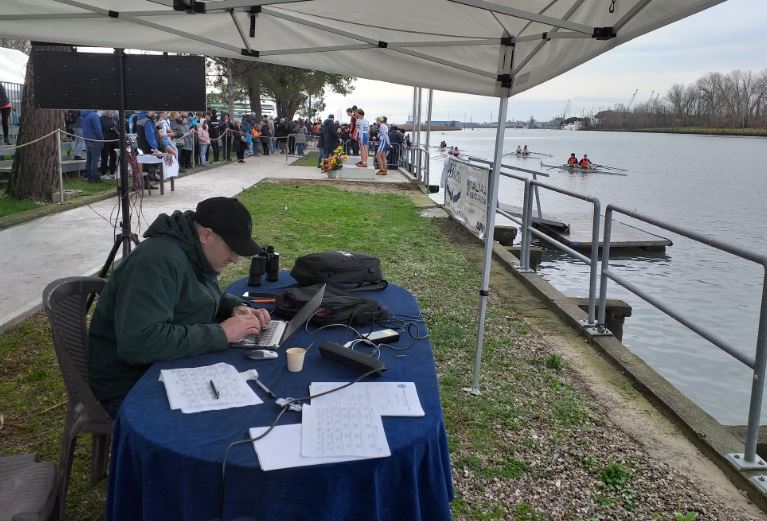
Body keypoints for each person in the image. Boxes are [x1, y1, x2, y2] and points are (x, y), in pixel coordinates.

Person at [88, 197, 270, 417]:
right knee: (229, 418)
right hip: (129, 384)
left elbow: (201, 296)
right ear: (206, 235)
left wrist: (235, 307)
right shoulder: (156, 261)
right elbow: (139, 343)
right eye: (232, 248)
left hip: (167, 367)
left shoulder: (194, 251)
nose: (235, 258)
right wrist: (222, 332)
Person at [81, 109, 104, 183]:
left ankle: (89, 177)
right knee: (95, 159)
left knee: (89, 159)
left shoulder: (84, 115)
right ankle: (94, 177)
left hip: (87, 138)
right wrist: (101, 139)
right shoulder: (94, 115)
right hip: (95, 139)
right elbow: (97, 128)